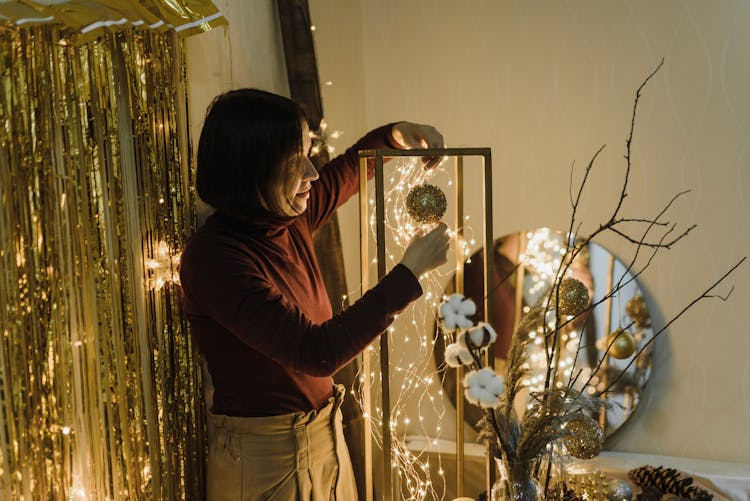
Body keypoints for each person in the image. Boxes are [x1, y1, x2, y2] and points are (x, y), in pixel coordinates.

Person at [179, 88, 449, 500]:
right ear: (252, 172)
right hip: (265, 460)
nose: (312, 173)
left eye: (308, 153)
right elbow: (315, 352)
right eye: (294, 162)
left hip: (325, 437)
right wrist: (408, 274)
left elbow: (346, 171)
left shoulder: (286, 218)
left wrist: (394, 136)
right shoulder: (217, 260)